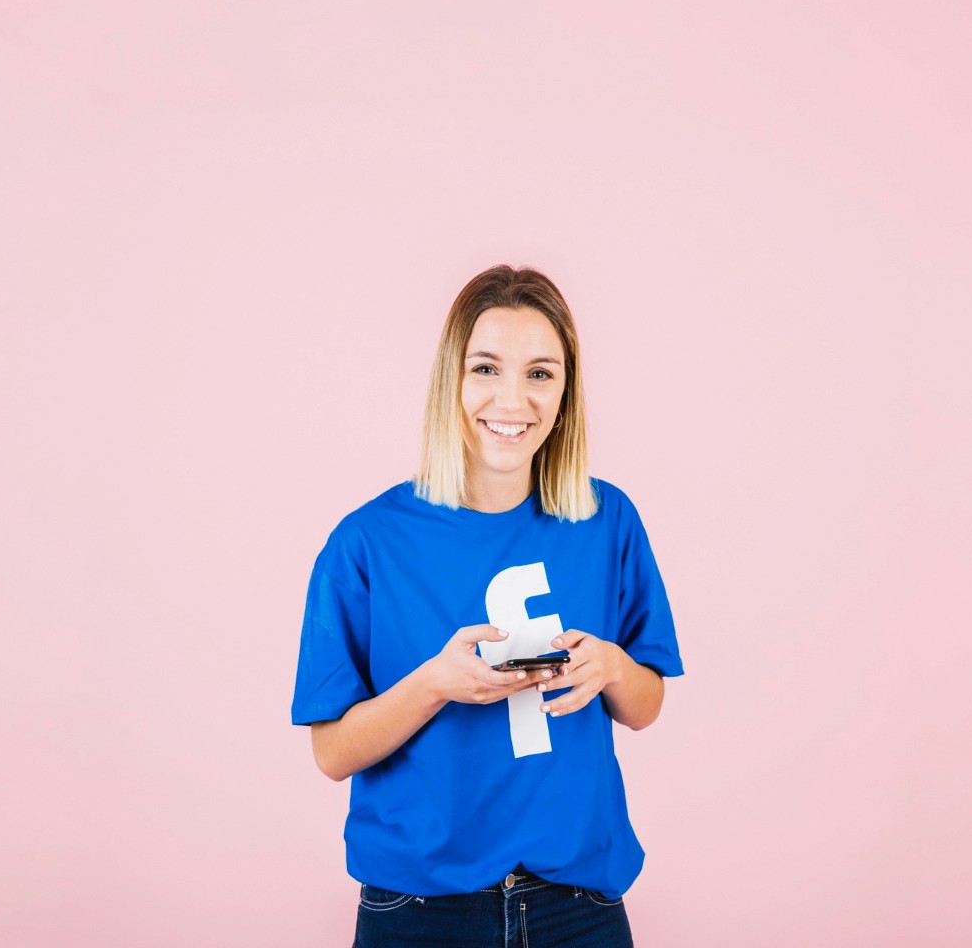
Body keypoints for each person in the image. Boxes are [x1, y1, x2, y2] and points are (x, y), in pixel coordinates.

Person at [291, 265, 684, 948]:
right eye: (486, 368)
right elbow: (331, 751)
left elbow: (645, 706)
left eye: (540, 373)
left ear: (566, 391)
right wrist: (434, 685)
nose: (513, 399)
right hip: (419, 910)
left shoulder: (606, 519)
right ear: (453, 378)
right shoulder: (366, 543)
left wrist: (613, 668)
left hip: (579, 905)